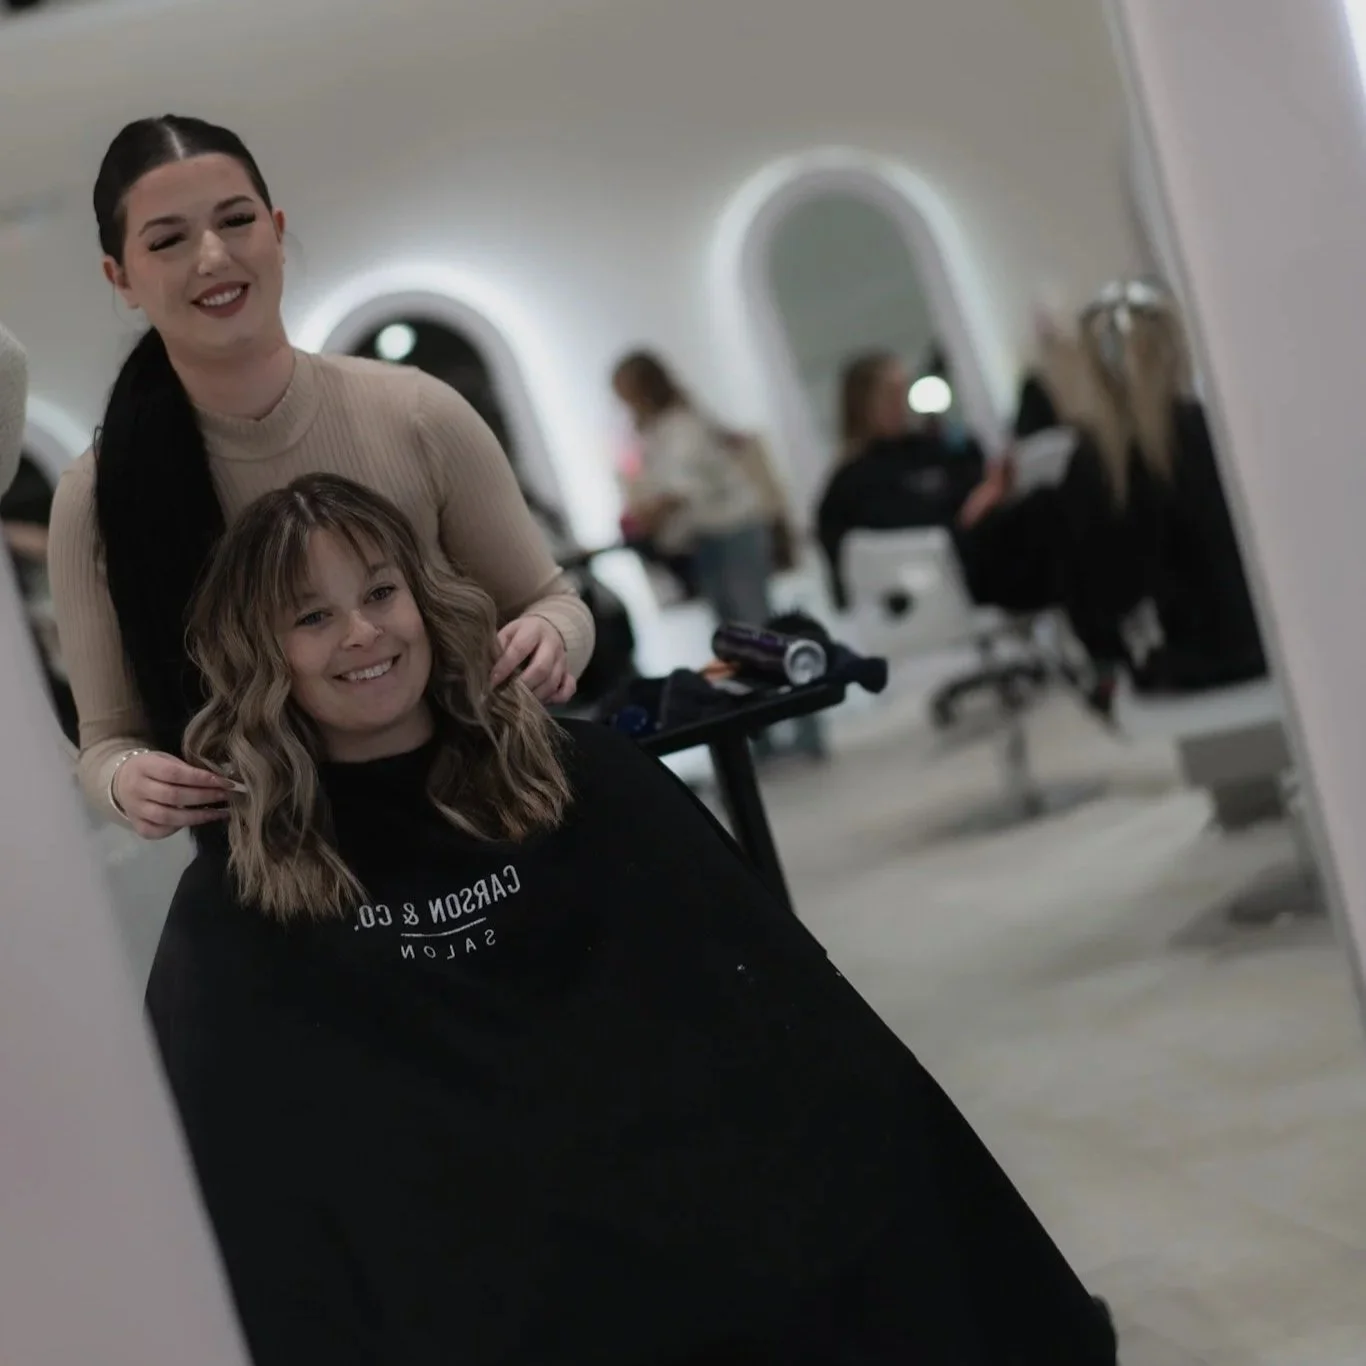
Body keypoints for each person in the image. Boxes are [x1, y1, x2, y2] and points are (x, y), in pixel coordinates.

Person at [148, 471, 1117, 1365]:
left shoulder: (579, 775)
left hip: (662, 1191)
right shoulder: (252, 878)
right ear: (262, 652)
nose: (361, 633)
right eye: (312, 616)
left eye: (379, 593)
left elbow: (773, 1007)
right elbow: (241, 1164)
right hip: (467, 1268)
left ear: (424, 596)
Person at [48, 114, 594, 842]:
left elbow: (551, 602)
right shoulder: (97, 499)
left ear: (275, 229)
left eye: (236, 221)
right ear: (121, 277)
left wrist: (550, 638)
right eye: (169, 240)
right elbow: (108, 742)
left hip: (487, 817)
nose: (212, 257)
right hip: (287, 874)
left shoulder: (417, 414)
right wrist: (125, 781)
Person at [612, 350, 775, 628]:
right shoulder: (657, 430)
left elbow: (679, 487)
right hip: (705, 535)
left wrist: (650, 515)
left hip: (733, 528)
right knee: (732, 627)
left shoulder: (682, 424)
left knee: (752, 620)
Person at [815, 351, 986, 609]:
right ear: (863, 406)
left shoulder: (931, 447)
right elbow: (906, 534)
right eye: (890, 395)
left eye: (903, 391)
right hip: (927, 588)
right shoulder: (851, 483)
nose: (901, 403)